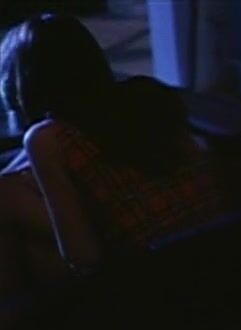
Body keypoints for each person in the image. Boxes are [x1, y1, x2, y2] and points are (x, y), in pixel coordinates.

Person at [0, 13, 228, 298]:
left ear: (23, 85)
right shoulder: (149, 97)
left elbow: (84, 259)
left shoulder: (47, 139)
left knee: (11, 208)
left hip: (144, 282)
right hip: (212, 254)